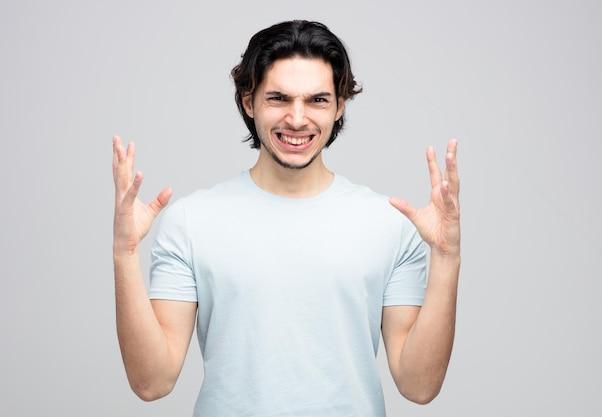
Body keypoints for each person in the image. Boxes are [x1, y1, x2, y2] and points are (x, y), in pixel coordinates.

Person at [112, 20, 460, 416]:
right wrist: (124, 253)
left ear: (339, 106)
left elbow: (419, 386)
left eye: (317, 100)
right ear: (249, 101)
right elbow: (151, 382)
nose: (297, 119)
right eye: (278, 98)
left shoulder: (390, 224)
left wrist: (447, 258)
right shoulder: (191, 221)